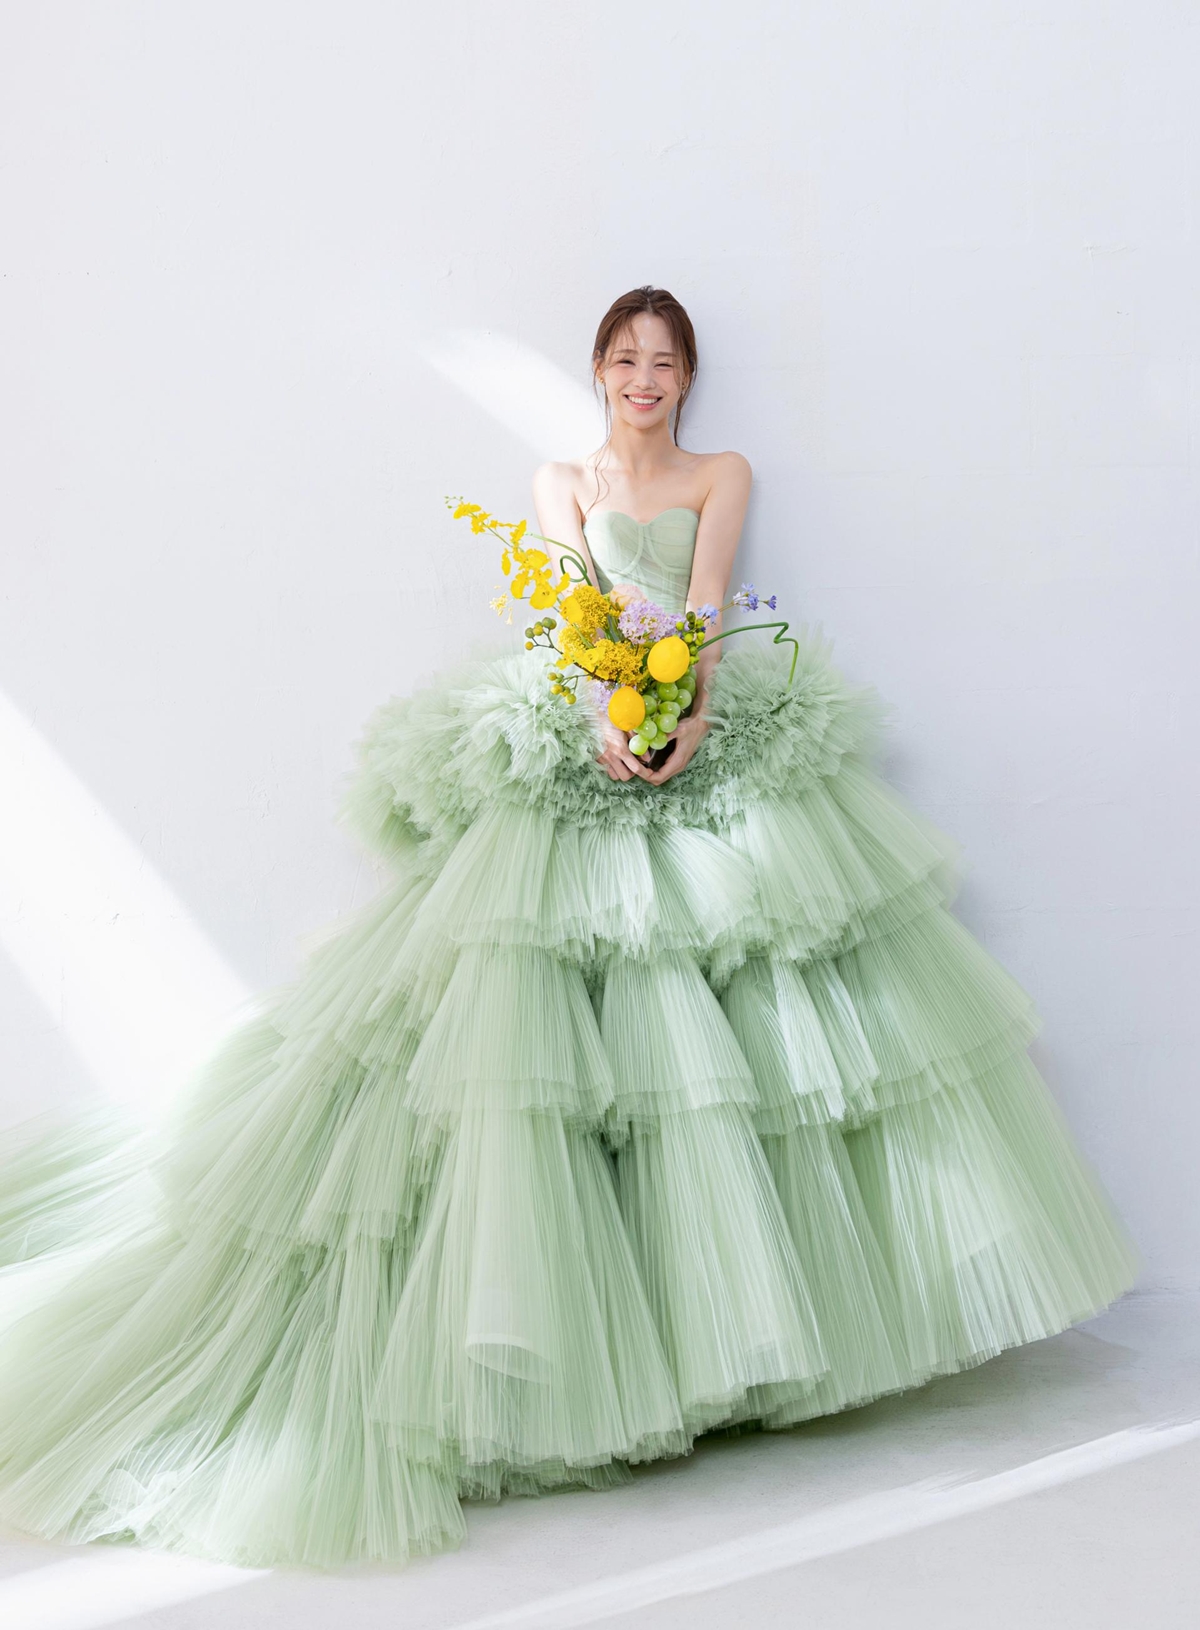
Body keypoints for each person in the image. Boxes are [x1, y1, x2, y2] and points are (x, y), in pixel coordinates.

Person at [0, 285, 1138, 1570]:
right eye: (625, 357)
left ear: (686, 379)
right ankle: (602, 1356)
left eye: (665, 361)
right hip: (592, 721)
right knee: (554, 1023)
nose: (645, 376)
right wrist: (611, 710)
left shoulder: (719, 472)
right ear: (599, 369)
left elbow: (706, 596)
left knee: (753, 1022)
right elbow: (571, 608)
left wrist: (684, 714)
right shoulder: (562, 480)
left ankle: (736, 1348)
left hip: (698, 716)